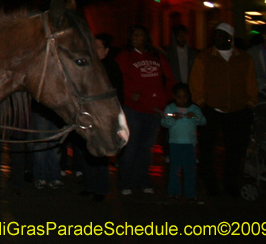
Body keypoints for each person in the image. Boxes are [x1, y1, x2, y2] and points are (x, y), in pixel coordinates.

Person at [189, 22, 258, 197]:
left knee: (235, 151)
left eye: (221, 34)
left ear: (229, 37)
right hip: (211, 109)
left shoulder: (243, 58)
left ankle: (231, 184)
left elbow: (251, 82)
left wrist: (250, 104)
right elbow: (196, 83)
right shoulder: (204, 57)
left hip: (238, 110)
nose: (216, 37)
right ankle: (210, 183)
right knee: (207, 150)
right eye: (215, 34)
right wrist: (202, 103)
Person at [116, 25, 176, 195]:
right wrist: (130, 95)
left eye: (139, 35)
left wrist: (165, 98)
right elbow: (120, 79)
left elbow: (169, 77)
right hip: (134, 109)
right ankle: (126, 182)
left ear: (146, 38)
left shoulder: (156, 55)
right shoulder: (125, 56)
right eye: (133, 35)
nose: (136, 38)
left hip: (154, 109)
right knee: (131, 147)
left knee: (146, 148)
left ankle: (143, 180)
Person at [79, 34, 121, 201]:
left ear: (106, 50)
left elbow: (116, 93)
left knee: (101, 152)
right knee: (87, 151)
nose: (94, 50)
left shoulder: (111, 67)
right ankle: (90, 185)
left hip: (103, 116)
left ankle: (101, 188)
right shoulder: (88, 66)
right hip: (88, 115)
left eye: (97, 47)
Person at [161, 83, 206, 201]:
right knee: (174, 169)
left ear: (189, 96)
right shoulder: (170, 108)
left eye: (185, 97)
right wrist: (172, 118)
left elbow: (203, 121)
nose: (182, 100)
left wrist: (194, 117)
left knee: (190, 169)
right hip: (175, 143)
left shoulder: (194, 109)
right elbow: (164, 123)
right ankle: (173, 192)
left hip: (190, 144)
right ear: (174, 96)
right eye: (179, 97)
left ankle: (190, 193)